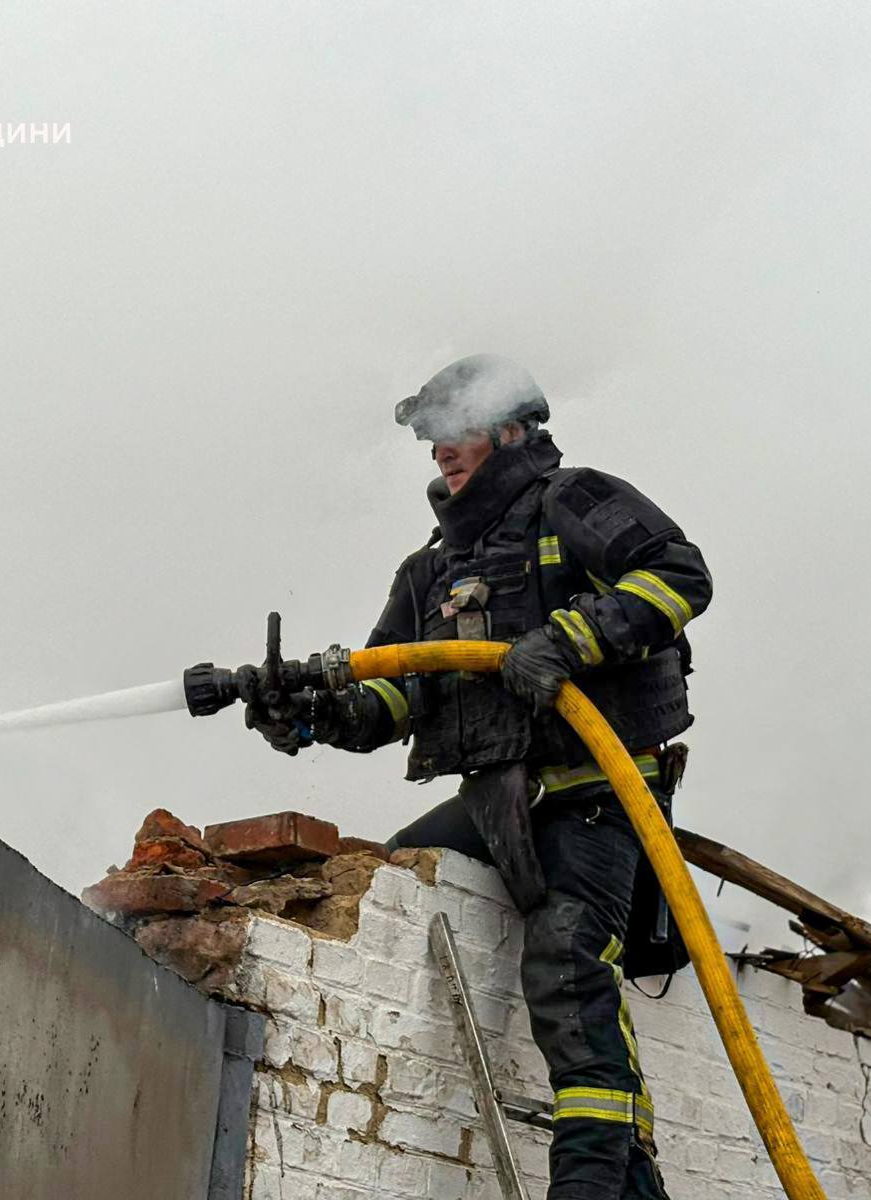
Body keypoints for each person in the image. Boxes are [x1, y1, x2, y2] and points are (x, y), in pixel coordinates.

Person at [247, 354, 711, 1200]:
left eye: (454, 431)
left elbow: (679, 576)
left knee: (567, 967)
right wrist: (307, 717)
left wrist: (568, 640)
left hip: (596, 790)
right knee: (390, 882)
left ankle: (590, 1189)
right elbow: (392, 693)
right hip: (497, 801)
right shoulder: (430, 571)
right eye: (430, 440)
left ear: (510, 428)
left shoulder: (573, 501)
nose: (439, 452)